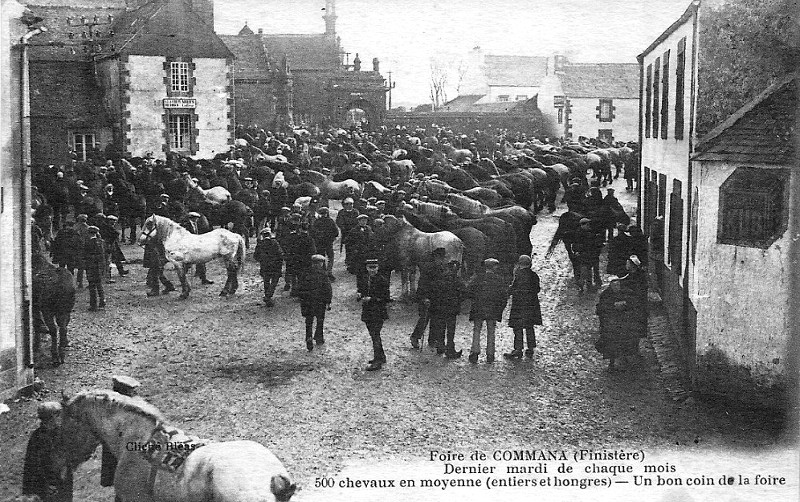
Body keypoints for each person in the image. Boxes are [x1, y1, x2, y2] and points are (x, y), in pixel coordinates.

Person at [595, 255, 647, 371]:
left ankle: (626, 358)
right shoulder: (605, 295)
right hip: (611, 324)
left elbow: (634, 303)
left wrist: (625, 305)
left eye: (618, 284)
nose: (616, 286)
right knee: (611, 343)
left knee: (626, 340)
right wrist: (612, 307)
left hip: (623, 322)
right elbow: (600, 309)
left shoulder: (626, 292)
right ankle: (612, 363)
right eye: (614, 285)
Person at [22, 402, 73, 502]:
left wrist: (65, 470)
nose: (60, 418)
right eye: (57, 414)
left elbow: (67, 455)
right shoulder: (38, 438)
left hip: (62, 482)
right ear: (50, 418)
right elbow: (34, 467)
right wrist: (46, 485)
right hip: (44, 487)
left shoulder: (60, 433)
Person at [467, 258, 509, 363]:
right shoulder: (499, 279)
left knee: (477, 329)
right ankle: (490, 354)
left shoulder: (478, 278)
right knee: (491, 330)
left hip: (479, 308)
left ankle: (475, 352)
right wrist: (500, 308)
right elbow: (504, 296)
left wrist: (474, 301)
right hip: (492, 309)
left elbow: (469, 290)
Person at [503, 255, 542, 359]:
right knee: (529, 327)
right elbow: (537, 289)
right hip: (531, 305)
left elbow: (515, 288)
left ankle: (518, 349)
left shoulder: (518, 274)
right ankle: (530, 348)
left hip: (519, 305)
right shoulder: (534, 275)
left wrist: (510, 290)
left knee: (518, 327)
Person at [408, 247, 447, 349]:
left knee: (435, 320)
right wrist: (424, 297)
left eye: (442, 258)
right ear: (435, 257)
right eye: (440, 258)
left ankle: (432, 340)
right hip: (427, 298)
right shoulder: (428, 269)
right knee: (424, 319)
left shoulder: (443, 268)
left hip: (437, 298)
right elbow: (422, 284)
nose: (441, 260)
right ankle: (415, 337)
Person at [426, 260, 466, 359]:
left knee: (441, 328)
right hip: (452, 308)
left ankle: (440, 347)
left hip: (440, 307)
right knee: (451, 330)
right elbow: (464, 293)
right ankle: (450, 350)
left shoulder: (440, 278)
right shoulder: (457, 280)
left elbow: (433, 292)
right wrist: (458, 300)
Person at [295, 255, 332, 351]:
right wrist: (328, 301)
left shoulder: (305, 273)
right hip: (320, 302)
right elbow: (328, 289)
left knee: (308, 320)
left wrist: (302, 298)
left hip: (307, 301)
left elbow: (299, 287)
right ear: (321, 263)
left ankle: (308, 337)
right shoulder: (323, 274)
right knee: (320, 320)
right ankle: (319, 337)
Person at [361, 258, 391, 371]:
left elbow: (386, 298)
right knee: (374, 335)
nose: (372, 270)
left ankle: (377, 361)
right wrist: (360, 295)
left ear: (378, 268)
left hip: (378, 312)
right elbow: (363, 290)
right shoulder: (365, 279)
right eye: (370, 268)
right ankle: (381, 356)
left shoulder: (382, 280)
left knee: (375, 335)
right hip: (368, 312)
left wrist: (371, 299)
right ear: (366, 268)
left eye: (374, 267)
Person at [344, 214, 374, 299]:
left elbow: (372, 239)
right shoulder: (354, 231)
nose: (364, 222)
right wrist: (354, 249)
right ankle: (360, 291)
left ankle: (367, 291)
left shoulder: (369, 229)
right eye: (362, 220)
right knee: (360, 274)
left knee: (368, 273)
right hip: (358, 256)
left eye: (365, 220)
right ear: (359, 221)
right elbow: (347, 242)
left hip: (367, 255)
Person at [253, 227, 284, 306]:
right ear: (270, 234)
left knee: (266, 282)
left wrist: (262, 261)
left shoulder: (260, 244)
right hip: (275, 266)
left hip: (265, 266)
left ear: (263, 235)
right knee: (274, 281)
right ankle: (268, 296)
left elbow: (255, 256)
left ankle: (268, 296)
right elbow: (280, 254)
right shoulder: (275, 242)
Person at [571, 217, 603, 292]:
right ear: (582, 225)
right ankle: (583, 284)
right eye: (587, 224)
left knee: (588, 270)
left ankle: (587, 285)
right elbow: (576, 245)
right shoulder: (580, 234)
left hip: (589, 254)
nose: (589, 226)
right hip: (585, 255)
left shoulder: (588, 232)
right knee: (585, 270)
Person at [181, 212, 214, 285]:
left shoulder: (198, 224)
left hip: (197, 246)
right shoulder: (186, 226)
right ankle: (183, 280)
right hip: (189, 247)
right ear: (191, 218)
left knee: (202, 262)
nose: (196, 220)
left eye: (197, 218)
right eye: (195, 218)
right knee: (186, 265)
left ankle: (204, 279)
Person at [310, 206, 339, 280]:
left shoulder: (316, 222)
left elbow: (312, 233)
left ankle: (324, 272)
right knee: (330, 257)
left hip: (320, 243)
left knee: (322, 258)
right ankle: (329, 272)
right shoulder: (330, 221)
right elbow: (336, 232)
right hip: (327, 242)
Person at [83, 226, 106, 311]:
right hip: (100, 266)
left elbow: (85, 255)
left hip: (91, 267)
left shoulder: (88, 243)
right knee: (99, 285)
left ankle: (93, 304)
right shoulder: (101, 242)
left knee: (92, 286)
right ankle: (102, 301)